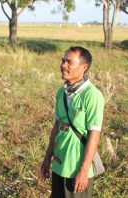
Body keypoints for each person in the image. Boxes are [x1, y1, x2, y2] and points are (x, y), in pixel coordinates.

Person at [40, 46, 105, 198]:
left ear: (84, 67)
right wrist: (47, 157)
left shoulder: (92, 95)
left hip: (76, 168)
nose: (63, 65)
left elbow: (94, 135)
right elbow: (57, 127)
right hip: (59, 163)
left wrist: (83, 170)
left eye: (69, 62)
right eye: (63, 61)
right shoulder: (62, 92)